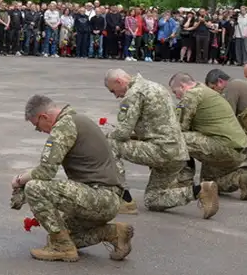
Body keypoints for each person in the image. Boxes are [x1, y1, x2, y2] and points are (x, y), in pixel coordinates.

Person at [12, 94, 132, 262]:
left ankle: (62, 249)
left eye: (37, 126)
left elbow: (46, 172)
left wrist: (19, 180)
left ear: (44, 117)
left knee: (34, 187)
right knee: (64, 234)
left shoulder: (64, 126)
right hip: (106, 197)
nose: (39, 131)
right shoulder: (78, 120)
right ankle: (113, 233)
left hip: (100, 197)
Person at [103, 69, 218, 219]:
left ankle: (124, 199)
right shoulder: (156, 86)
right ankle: (200, 191)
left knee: (110, 144)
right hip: (178, 153)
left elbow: (122, 133)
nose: (116, 95)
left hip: (160, 150)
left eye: (113, 91)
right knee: (153, 199)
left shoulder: (133, 94)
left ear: (119, 81)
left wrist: (105, 135)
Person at [168, 73, 247, 200]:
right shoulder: (208, 91)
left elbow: (179, 127)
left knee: (176, 139)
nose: (176, 96)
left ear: (182, 86)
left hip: (222, 146)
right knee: (208, 182)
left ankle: (183, 182)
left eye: (175, 91)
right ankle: (239, 179)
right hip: (239, 148)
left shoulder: (191, 95)